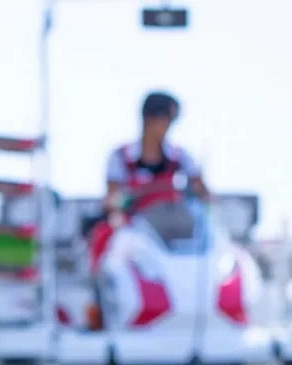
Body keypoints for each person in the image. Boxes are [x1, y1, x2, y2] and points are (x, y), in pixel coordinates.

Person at [88, 91, 210, 272]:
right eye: (166, 119)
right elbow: (112, 198)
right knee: (104, 236)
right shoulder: (121, 157)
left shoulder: (180, 157)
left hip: (174, 232)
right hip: (134, 228)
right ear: (148, 119)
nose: (169, 126)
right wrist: (118, 207)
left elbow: (201, 191)